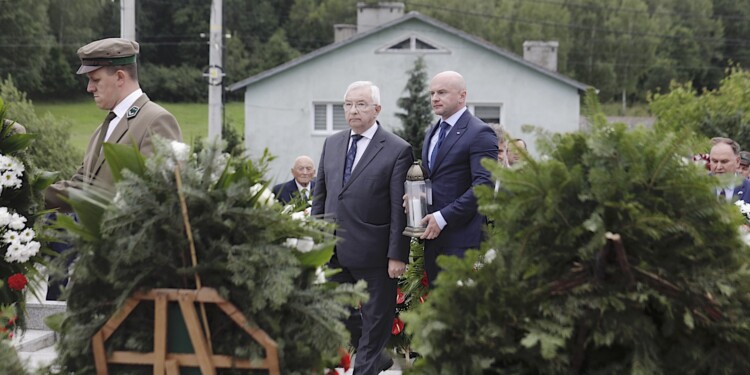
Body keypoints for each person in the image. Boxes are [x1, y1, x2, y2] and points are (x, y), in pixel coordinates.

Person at [312, 81, 412, 374]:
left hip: (376, 252)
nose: (353, 110)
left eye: (361, 104)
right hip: (333, 249)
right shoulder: (332, 143)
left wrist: (398, 255)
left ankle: (367, 364)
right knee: (333, 310)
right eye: (348, 104)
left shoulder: (397, 149)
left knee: (376, 320)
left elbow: (398, 207)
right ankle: (376, 355)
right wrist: (315, 240)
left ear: (377, 109)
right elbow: (321, 195)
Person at [45, 38, 182, 211]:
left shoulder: (156, 121)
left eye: (95, 79)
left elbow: (159, 197)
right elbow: (81, 187)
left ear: (119, 77)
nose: (89, 88)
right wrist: (25, 189)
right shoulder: (103, 129)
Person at [419, 71, 498, 286]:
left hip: (465, 243)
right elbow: (433, 179)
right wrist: (416, 197)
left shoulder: (480, 133)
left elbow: (484, 187)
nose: (435, 98)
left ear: (462, 96)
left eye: (442, 92)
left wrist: (443, 217)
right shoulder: (432, 132)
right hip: (433, 241)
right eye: (432, 93)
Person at [709, 137, 750, 202]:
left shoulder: (748, 189)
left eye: (724, 161)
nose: (718, 167)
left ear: (737, 161)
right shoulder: (696, 186)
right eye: (715, 161)